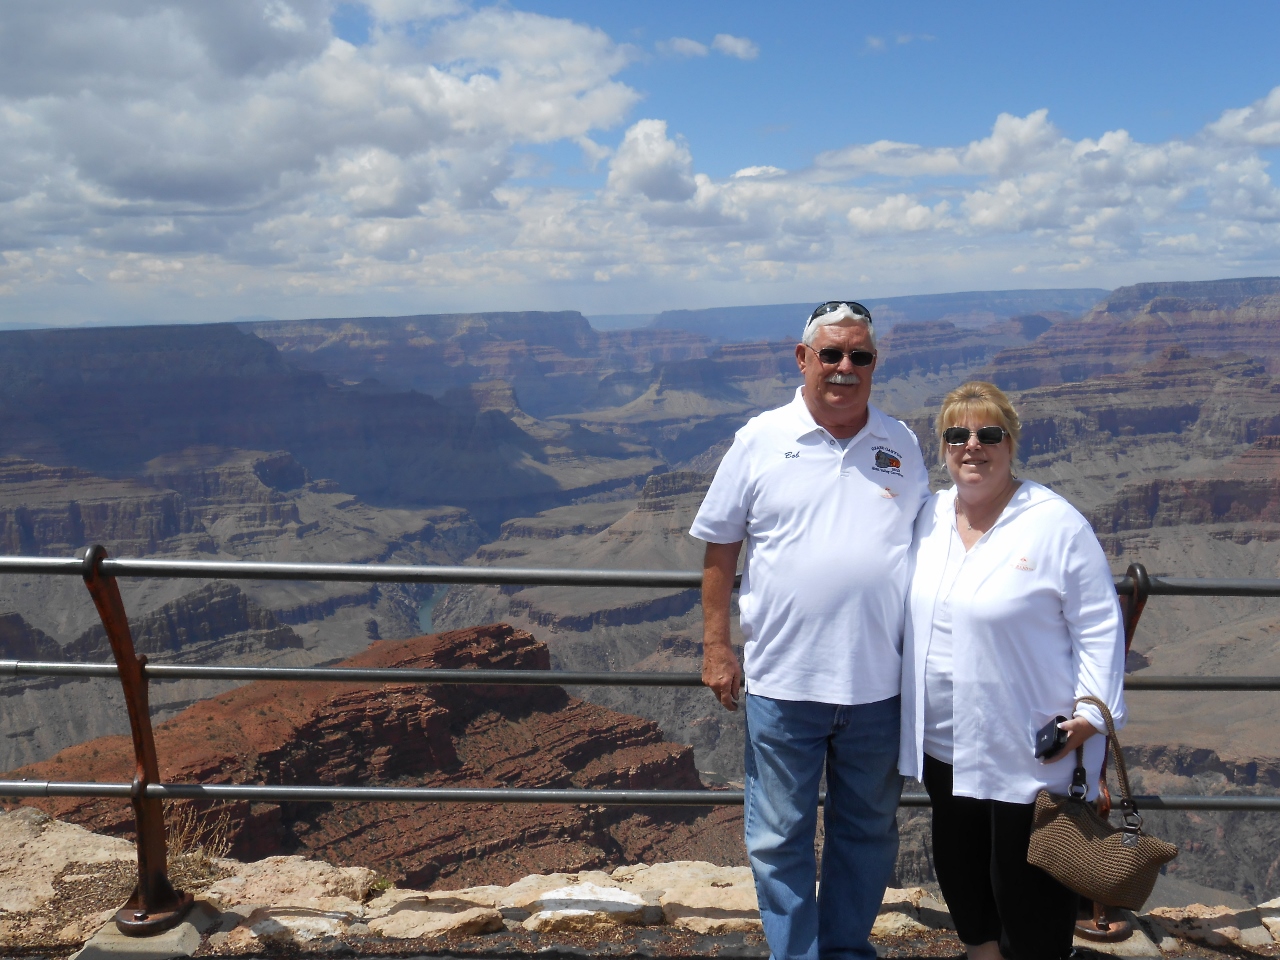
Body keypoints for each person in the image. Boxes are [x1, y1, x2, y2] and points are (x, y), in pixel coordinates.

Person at [691, 301, 930, 960]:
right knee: (778, 837)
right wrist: (716, 645)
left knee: (868, 832)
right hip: (784, 684)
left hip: (879, 686)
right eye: (832, 354)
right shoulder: (760, 439)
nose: (845, 367)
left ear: (875, 363)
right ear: (803, 359)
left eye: (860, 355)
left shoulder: (901, 443)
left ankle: (846, 950)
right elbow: (720, 547)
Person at [899, 381, 1126, 960]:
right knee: (961, 867)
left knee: (1027, 888)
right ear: (942, 446)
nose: (972, 446)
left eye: (989, 434)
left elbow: (1099, 625)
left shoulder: (1054, 524)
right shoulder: (929, 516)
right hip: (944, 741)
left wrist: (1090, 715)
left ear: (1011, 442)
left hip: (1029, 742)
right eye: (957, 434)